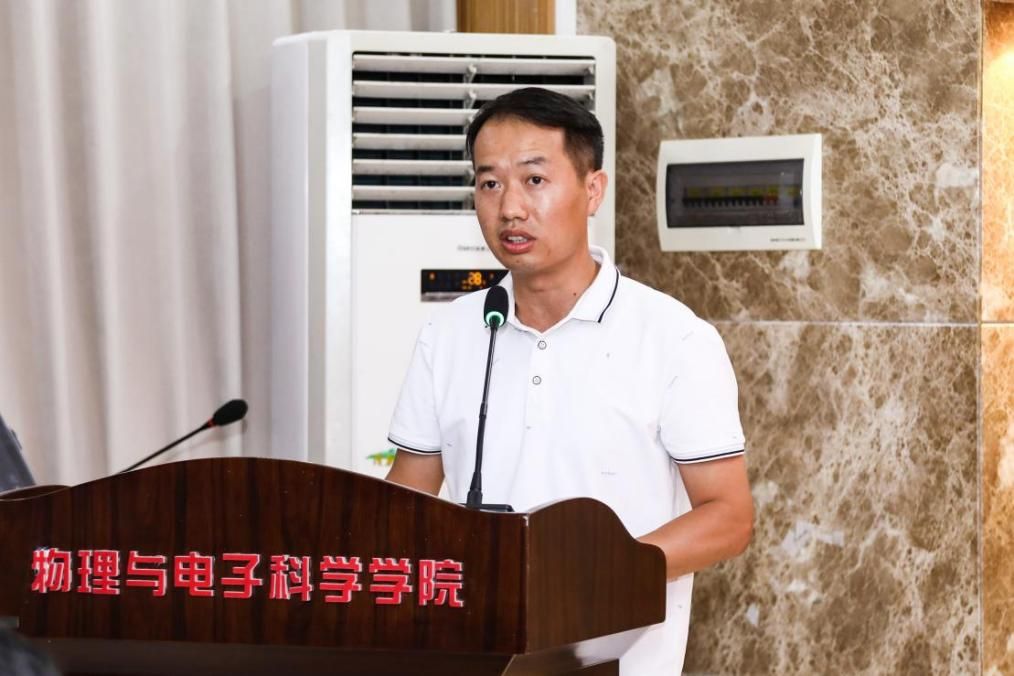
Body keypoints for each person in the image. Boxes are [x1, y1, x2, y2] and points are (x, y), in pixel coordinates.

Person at [386, 86, 753, 674]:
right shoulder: (448, 333)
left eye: (534, 180)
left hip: (615, 660)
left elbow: (729, 516)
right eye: (489, 183)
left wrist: (591, 577)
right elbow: (406, 500)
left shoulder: (673, 337)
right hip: (474, 654)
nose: (510, 208)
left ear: (593, 190)